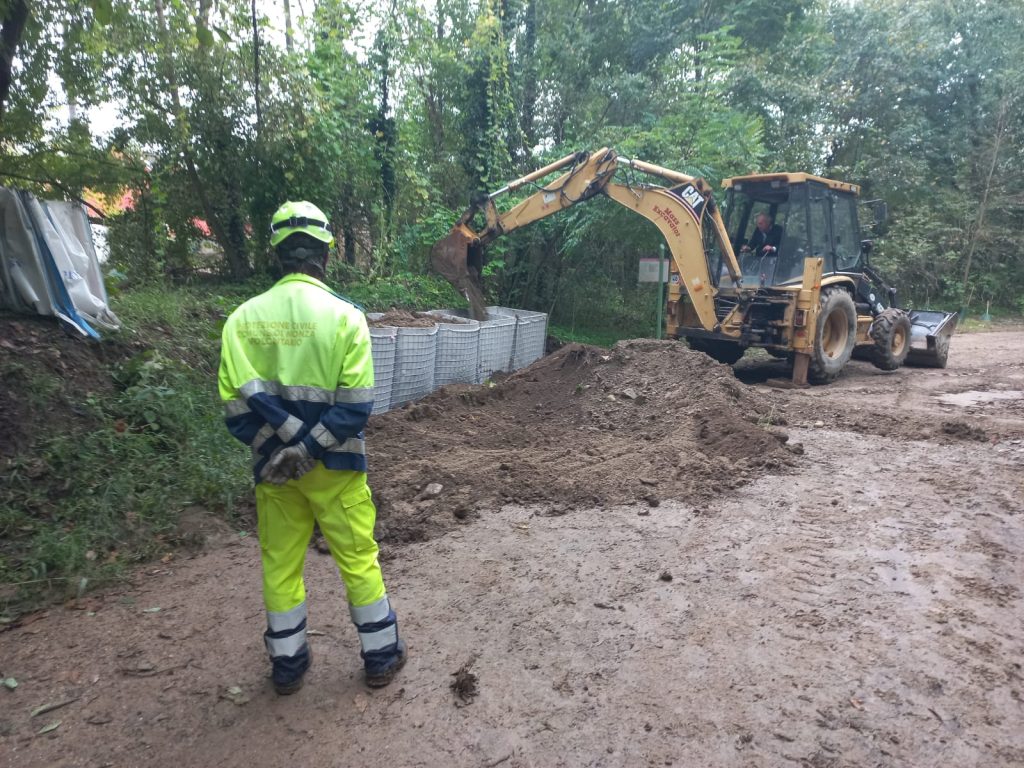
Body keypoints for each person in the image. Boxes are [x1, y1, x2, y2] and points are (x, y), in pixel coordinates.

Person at [218, 200, 406, 695]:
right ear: (327, 251)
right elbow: (355, 408)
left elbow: (235, 411)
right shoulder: (347, 319)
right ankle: (381, 656)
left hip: (273, 473)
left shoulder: (241, 321)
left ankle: (287, 666)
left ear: (276, 252)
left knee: (280, 566)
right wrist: (310, 447)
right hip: (338, 468)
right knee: (358, 559)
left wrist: (282, 451)